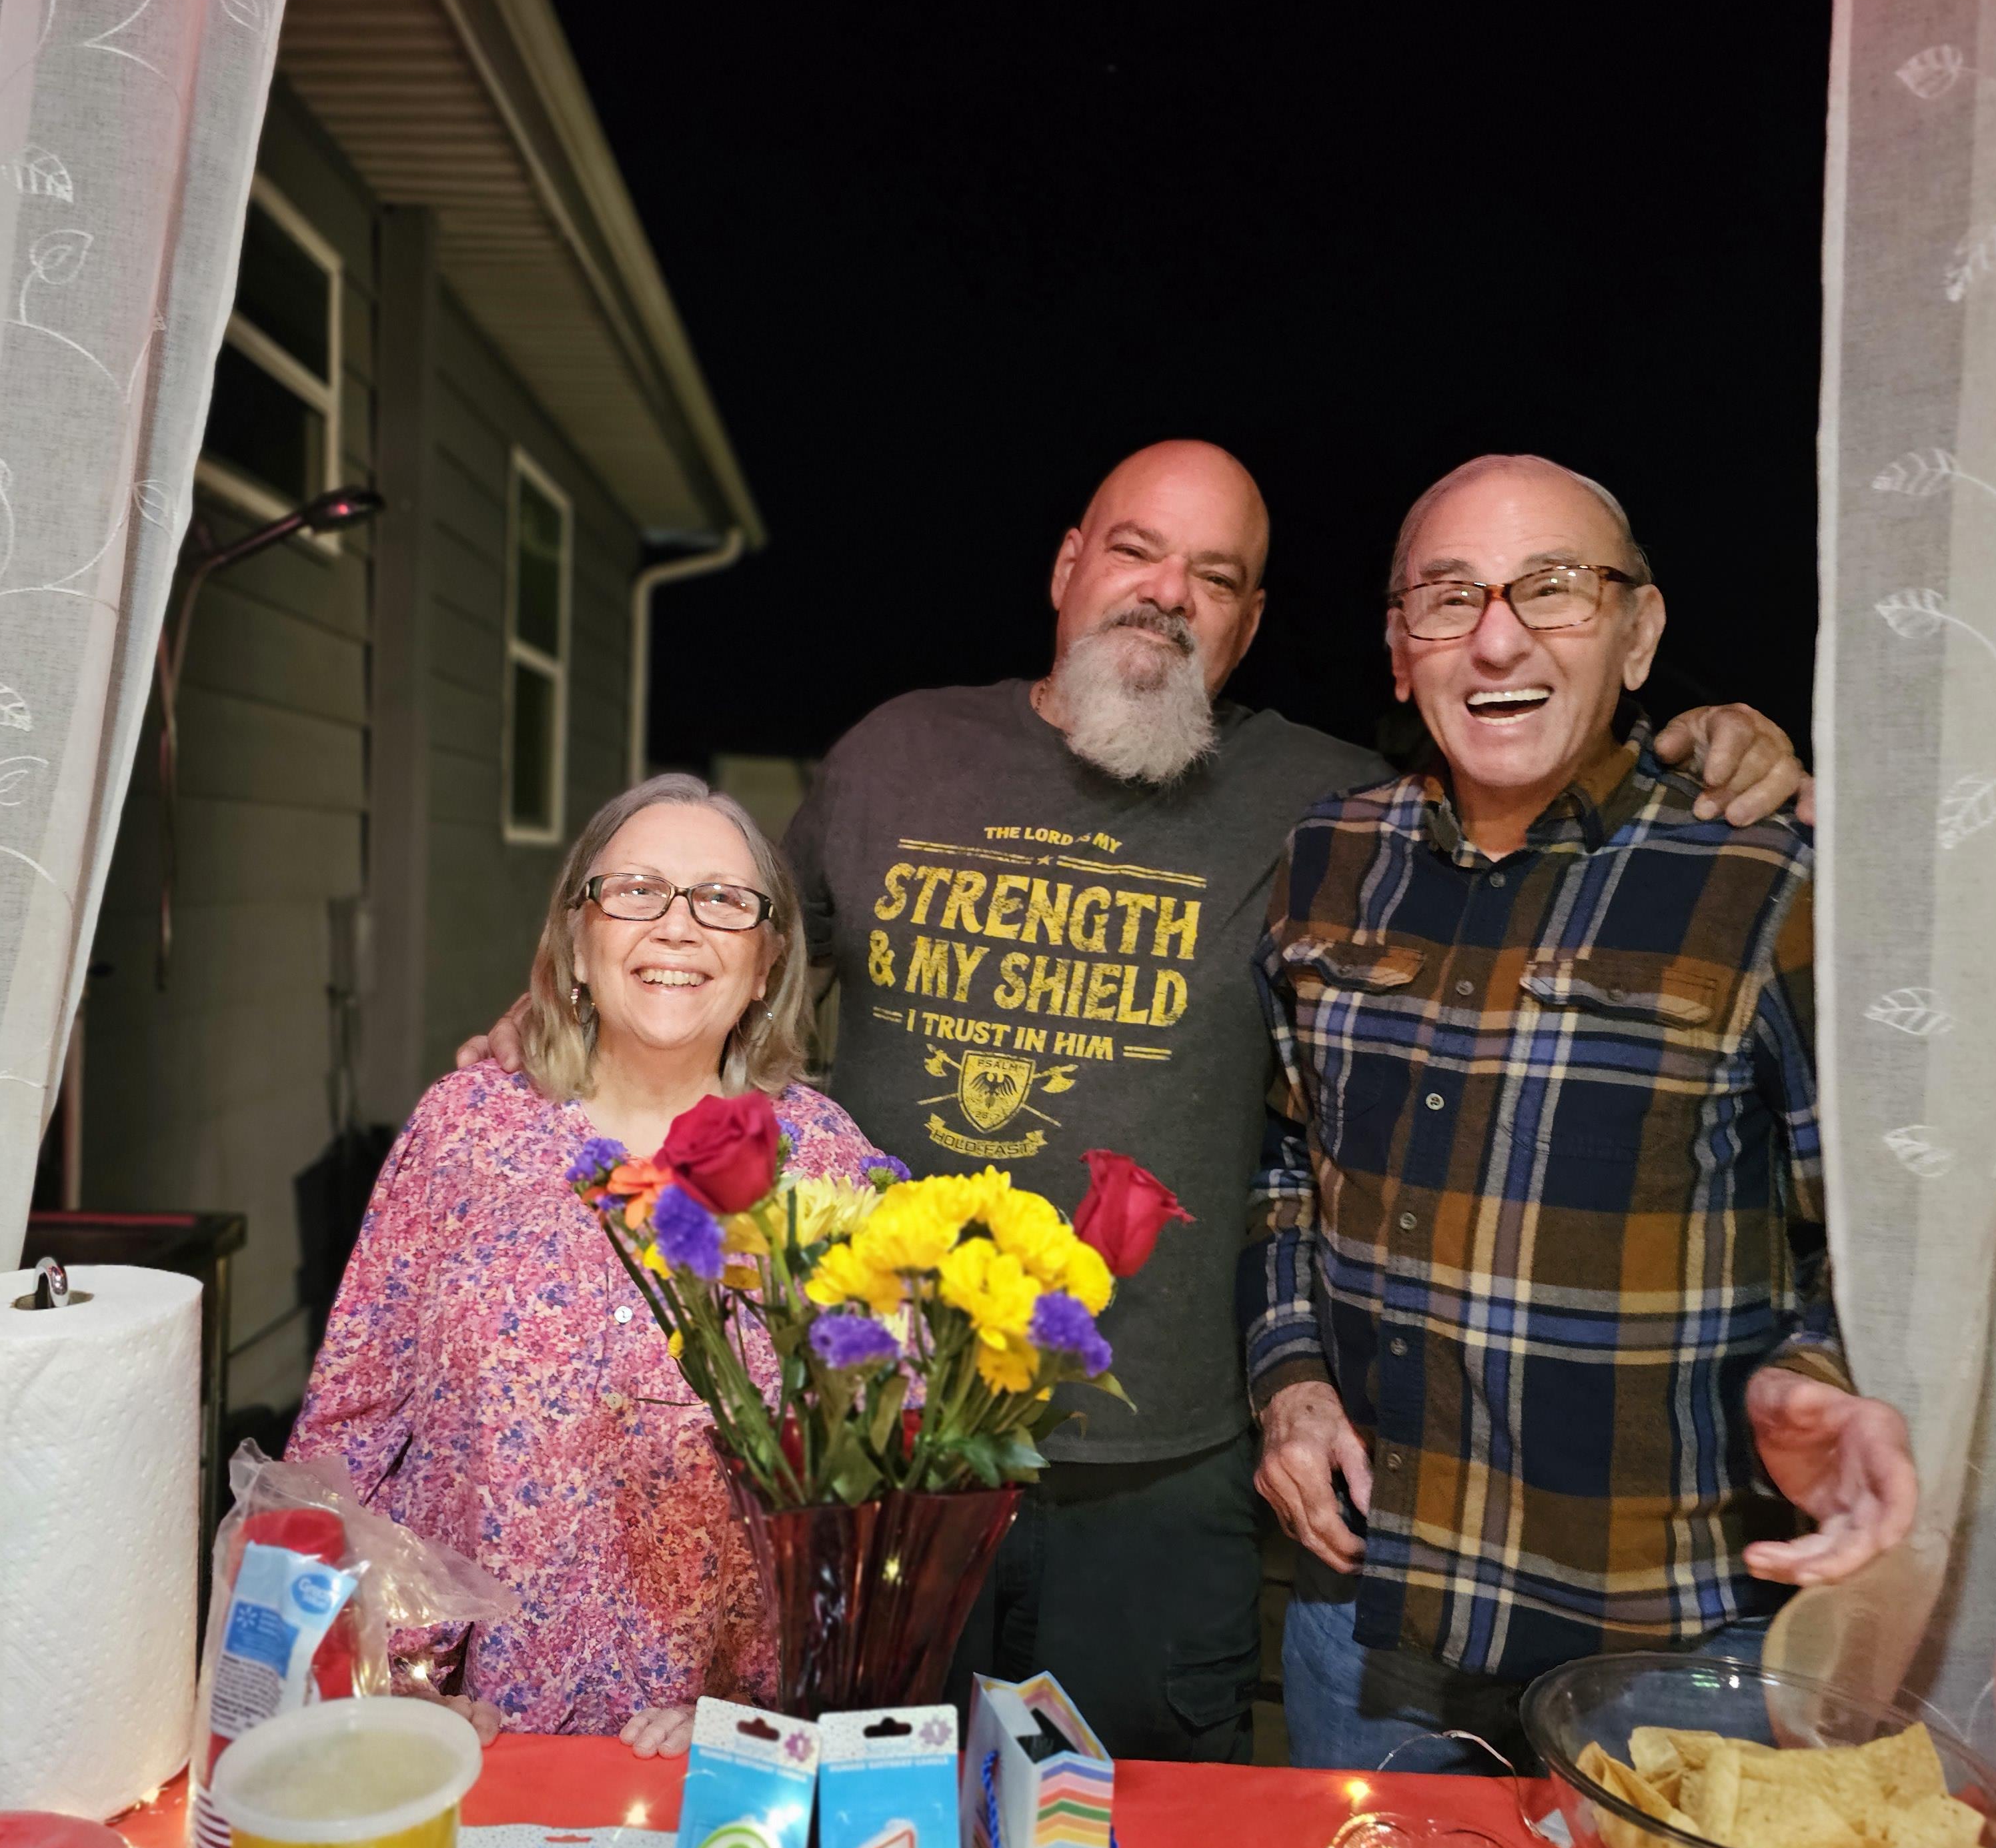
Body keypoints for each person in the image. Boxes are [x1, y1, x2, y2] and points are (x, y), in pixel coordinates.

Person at [463, 441, 1809, 1761]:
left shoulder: (1334, 807)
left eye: (1214, 575)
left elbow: (1530, 821)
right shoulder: (896, 753)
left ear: (1249, 623)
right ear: (1065, 568)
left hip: (1162, 1474)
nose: (1167, 591)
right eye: (1133, 548)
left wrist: (1709, 749)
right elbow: (728, 973)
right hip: (872, 1451)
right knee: (871, 1828)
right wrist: (571, 1012)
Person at [1242, 455, 1916, 1772]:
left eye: (1550, 590)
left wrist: (1820, 1374)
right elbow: (1282, 1159)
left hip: (1671, 1644)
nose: (1495, 637)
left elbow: (1888, 1223)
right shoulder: (1330, 859)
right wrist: (1291, 1377)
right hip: (1374, 1620)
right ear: (1397, 652)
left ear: (1637, 632)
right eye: (1445, 598)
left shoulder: (1769, 880)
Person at [289, 775, 882, 1757]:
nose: (680, 927)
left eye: (726, 900)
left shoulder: (827, 1169)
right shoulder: (464, 1130)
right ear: (576, 938)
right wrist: (383, 1679)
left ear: (770, 958)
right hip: (463, 1733)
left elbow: (871, 1491)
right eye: (637, 890)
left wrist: (767, 1714)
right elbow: (348, 1430)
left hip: (715, 1751)